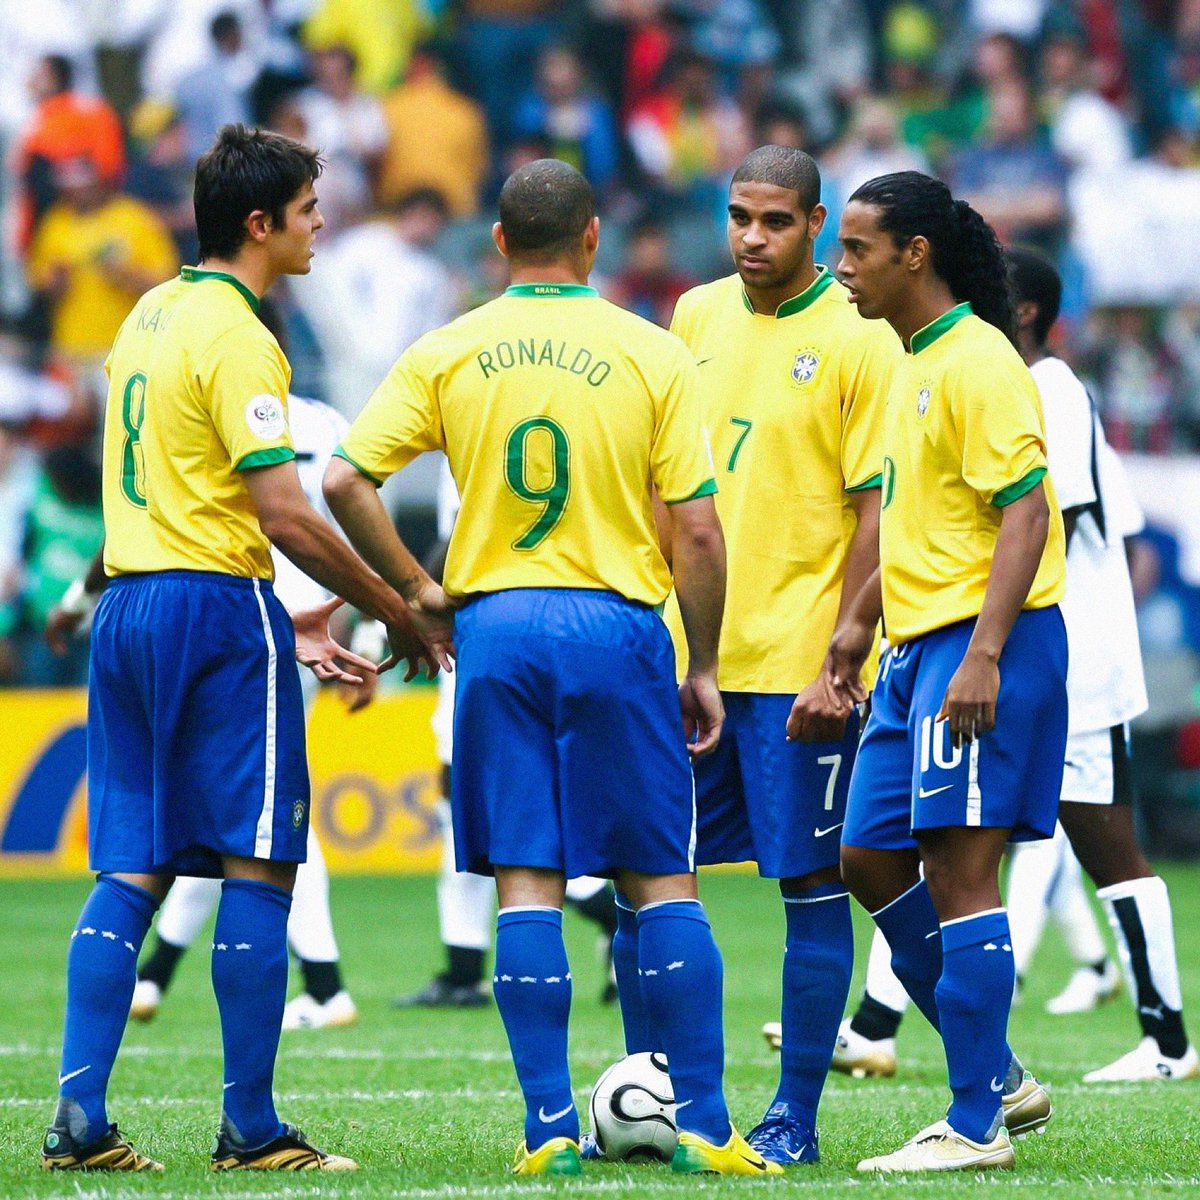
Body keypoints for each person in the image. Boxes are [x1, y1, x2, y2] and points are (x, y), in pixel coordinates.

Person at [325, 159, 780, 1178]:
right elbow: (699, 533)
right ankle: (704, 1125)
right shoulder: (652, 351)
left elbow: (346, 478)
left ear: (496, 242)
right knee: (661, 876)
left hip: (495, 628)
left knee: (525, 881)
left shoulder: (448, 349)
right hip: (615, 622)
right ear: (592, 238)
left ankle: (546, 1133)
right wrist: (702, 663)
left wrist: (412, 591)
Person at [41, 123, 449, 1174]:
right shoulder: (238, 333)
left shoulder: (148, 313)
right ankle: (253, 1130)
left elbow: (180, 489)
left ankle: (79, 1123)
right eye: (311, 209)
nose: (322, 224)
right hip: (213, 614)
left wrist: (298, 615)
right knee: (260, 864)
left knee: (129, 869)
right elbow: (284, 511)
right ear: (262, 223)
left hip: (132, 607)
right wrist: (396, 597)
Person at [830, 248, 1198, 1087]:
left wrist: (985, 649)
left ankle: (1166, 1036)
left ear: (1023, 311)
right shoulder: (955, 372)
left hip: (1050, 647)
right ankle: (895, 1021)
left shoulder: (1045, 388)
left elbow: (1025, 517)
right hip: (980, 640)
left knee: (1074, 846)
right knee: (961, 841)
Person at [624, 144, 899, 1169]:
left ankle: (794, 1114)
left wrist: (844, 652)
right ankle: (651, 1096)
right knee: (645, 880)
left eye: (776, 220)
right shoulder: (692, 316)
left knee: (810, 887)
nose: (752, 237)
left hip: (794, 666)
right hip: (685, 655)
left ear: (817, 224)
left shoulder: (860, 337)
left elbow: (877, 507)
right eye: (740, 215)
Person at [820, 171, 1068, 1173]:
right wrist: (854, 626)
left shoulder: (978, 362)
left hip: (976, 645)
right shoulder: (909, 359)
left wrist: (986, 654)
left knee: (963, 875)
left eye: (858, 250)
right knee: (869, 857)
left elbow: (1026, 510)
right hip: (913, 648)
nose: (843, 272)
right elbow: (924, 516)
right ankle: (997, 1071)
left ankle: (975, 1125)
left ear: (913, 254)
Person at [125, 298, 368, 1033]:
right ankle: (157, 975)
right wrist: (360, 614)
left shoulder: (212, 409)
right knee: (236, 803)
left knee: (260, 805)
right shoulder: (326, 421)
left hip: (248, 619)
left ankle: (324, 984)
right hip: (316, 618)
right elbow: (350, 514)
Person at [395, 460, 619, 1011]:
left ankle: (605, 908)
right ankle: (464, 964)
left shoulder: (474, 428)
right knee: (479, 807)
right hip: (571, 621)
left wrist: (408, 597)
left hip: (487, 630)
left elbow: (465, 531)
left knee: (485, 808)